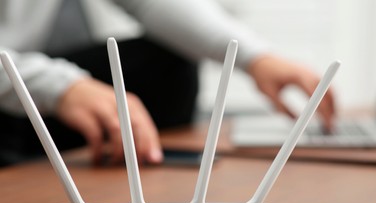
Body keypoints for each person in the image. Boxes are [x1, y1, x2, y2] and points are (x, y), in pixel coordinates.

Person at [0, 0, 335, 167]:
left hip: (32, 75)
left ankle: (152, 180)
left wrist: (257, 57)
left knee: (169, 59)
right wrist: (58, 85)